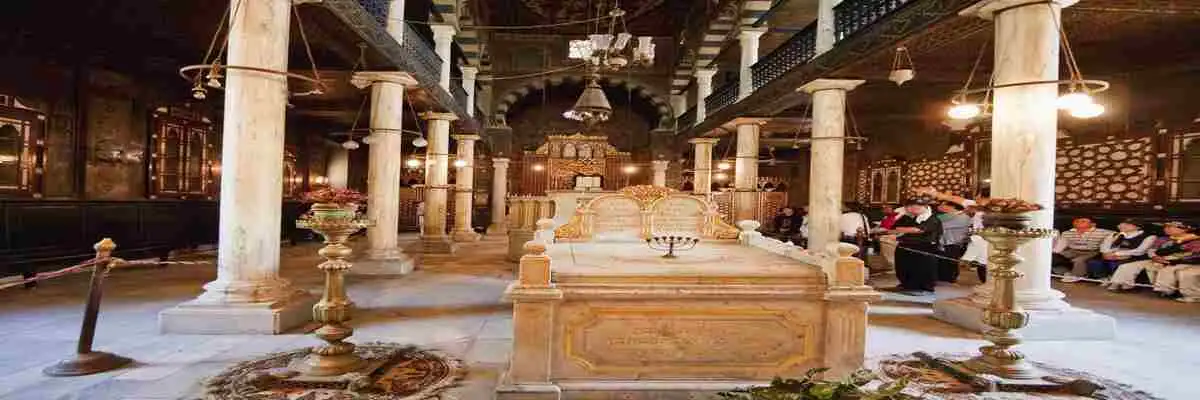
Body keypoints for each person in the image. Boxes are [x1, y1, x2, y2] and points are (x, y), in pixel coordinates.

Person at [1107, 221, 1200, 292]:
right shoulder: (1162, 239)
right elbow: (1151, 250)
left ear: (1184, 229)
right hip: (1156, 259)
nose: (1166, 229)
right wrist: (1154, 257)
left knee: (1167, 270)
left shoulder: (1195, 240)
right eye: (1166, 227)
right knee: (1127, 266)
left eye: (1170, 227)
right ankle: (1123, 285)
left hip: (1180, 262)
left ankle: (1167, 291)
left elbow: (1194, 255)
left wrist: (1174, 260)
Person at [889, 199, 942, 295]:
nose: (911, 209)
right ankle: (907, 284)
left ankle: (925, 287)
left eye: (915, 207)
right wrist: (904, 230)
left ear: (924, 207)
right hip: (905, 245)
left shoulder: (932, 218)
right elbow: (894, 228)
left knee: (922, 267)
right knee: (903, 266)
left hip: (924, 247)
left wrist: (903, 230)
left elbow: (918, 230)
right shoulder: (907, 217)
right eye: (910, 207)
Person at [1079, 220, 1155, 282]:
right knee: (1094, 262)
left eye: (1127, 224)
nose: (1122, 226)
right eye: (1121, 224)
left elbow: (1139, 251)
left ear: (1138, 227)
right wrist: (1106, 253)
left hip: (1135, 258)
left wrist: (1117, 254)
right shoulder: (1115, 235)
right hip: (1111, 256)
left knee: (1117, 264)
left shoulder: (1149, 236)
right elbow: (1104, 246)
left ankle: (1117, 281)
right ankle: (1103, 278)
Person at [1052, 217, 1112, 282]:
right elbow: (1061, 246)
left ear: (1093, 224)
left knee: (1078, 260)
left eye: (1083, 221)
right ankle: (1065, 272)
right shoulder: (1067, 233)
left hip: (1092, 251)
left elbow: (1115, 234)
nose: (1079, 223)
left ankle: (1077, 275)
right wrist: (1054, 252)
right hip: (1073, 251)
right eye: (1077, 221)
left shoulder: (1103, 232)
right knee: (1053, 256)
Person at [935, 201, 972, 283]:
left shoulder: (963, 217)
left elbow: (938, 224)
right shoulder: (949, 215)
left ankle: (949, 278)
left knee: (949, 263)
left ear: (952, 207)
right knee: (943, 262)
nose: (940, 206)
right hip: (945, 243)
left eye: (943, 205)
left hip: (953, 243)